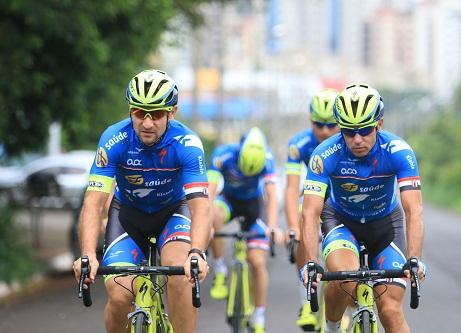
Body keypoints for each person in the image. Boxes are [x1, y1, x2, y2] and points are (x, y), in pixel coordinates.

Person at [72, 69, 211, 333]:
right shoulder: (114, 139)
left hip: (173, 213)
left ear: (173, 111)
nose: (147, 123)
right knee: (119, 295)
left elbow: (200, 205)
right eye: (139, 113)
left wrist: (197, 253)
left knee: (182, 277)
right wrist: (88, 253)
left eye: (156, 114)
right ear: (130, 110)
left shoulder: (187, 143)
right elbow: (93, 201)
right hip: (128, 216)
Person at [300, 84, 427, 333]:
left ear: (379, 124)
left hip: (385, 225)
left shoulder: (400, 152)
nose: (357, 139)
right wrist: (311, 262)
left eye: (365, 130)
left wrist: (414, 259)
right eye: (349, 132)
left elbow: (414, 210)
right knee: (345, 276)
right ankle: (332, 327)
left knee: (390, 310)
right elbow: (310, 213)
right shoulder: (324, 154)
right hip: (341, 221)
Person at [207, 127, 283, 333]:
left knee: (257, 262)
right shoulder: (223, 155)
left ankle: (258, 316)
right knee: (212, 215)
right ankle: (220, 269)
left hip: (253, 207)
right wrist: (202, 223)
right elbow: (208, 193)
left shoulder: (267, 160)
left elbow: (272, 196)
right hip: (228, 202)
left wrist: (274, 226)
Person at [284, 88, 340, 331]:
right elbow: (291, 188)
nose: (325, 131)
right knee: (300, 221)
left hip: (341, 199)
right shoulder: (299, 144)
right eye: (319, 124)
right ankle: (306, 297)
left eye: (331, 125)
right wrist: (292, 228)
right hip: (314, 195)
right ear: (310, 121)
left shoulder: (348, 143)